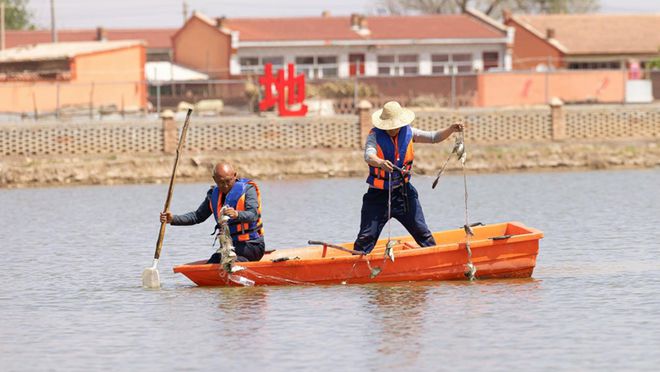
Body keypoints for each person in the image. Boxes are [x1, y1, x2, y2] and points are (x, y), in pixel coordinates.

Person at [353, 101, 463, 254]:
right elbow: (368, 156)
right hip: (377, 197)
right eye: (388, 125)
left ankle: (436, 259)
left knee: (422, 232)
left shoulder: (409, 132)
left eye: (394, 125)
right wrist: (380, 162)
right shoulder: (374, 136)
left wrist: (451, 129)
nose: (392, 128)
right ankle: (355, 269)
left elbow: (434, 137)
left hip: (404, 195)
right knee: (366, 238)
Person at [160, 162, 265, 263]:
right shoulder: (213, 195)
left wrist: (237, 214)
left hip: (251, 245)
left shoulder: (248, 190)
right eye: (221, 182)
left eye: (228, 181)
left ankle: (242, 266)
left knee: (228, 260)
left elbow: (253, 215)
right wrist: (173, 219)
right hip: (228, 247)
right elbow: (197, 216)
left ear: (235, 175)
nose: (225, 186)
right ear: (214, 179)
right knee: (214, 260)